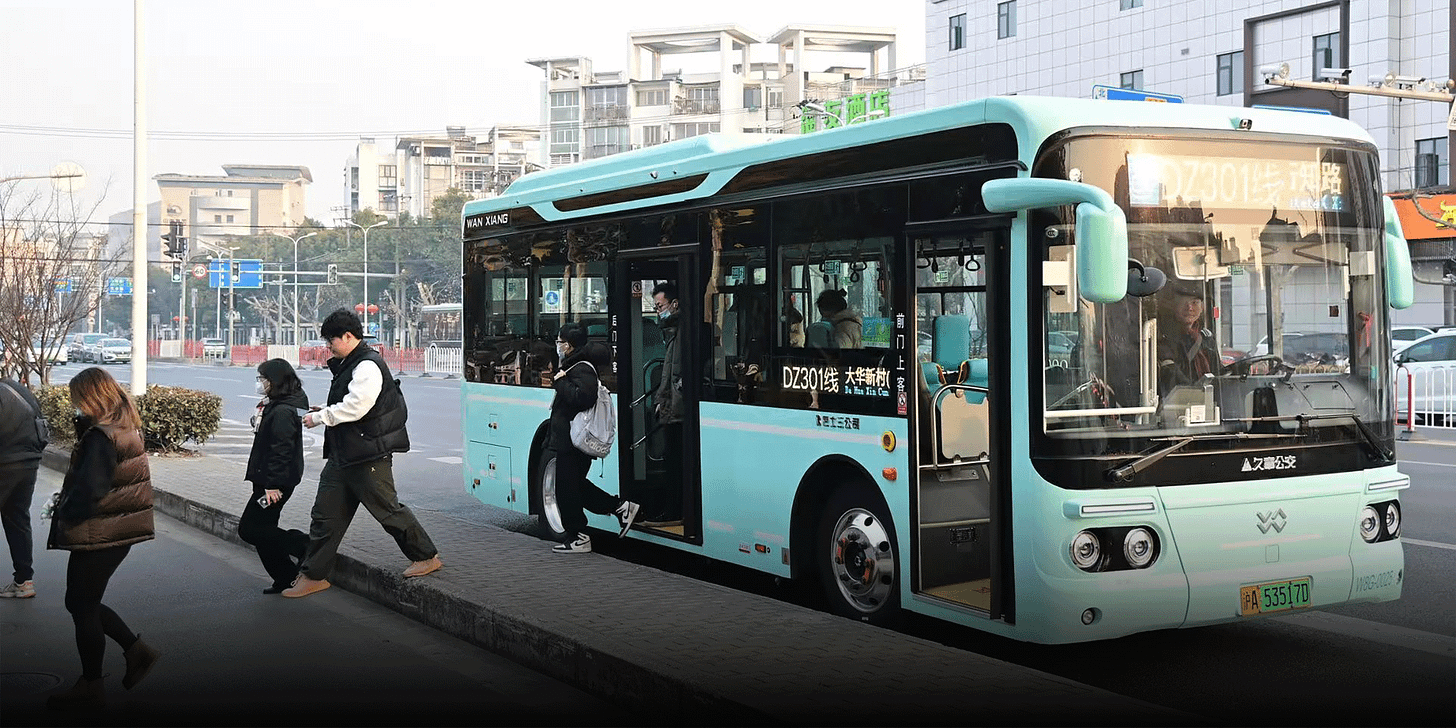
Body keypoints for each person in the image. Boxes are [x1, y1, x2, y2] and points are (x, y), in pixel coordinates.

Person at [284, 309, 442, 598]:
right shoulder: (350, 363)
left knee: (388, 511)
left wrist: (320, 418)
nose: (327, 347)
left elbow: (358, 406)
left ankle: (426, 556)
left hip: (368, 456)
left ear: (348, 336)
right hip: (344, 455)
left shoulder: (367, 365)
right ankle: (313, 574)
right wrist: (325, 410)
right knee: (325, 516)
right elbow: (349, 402)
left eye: (330, 340)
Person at [45, 367, 159, 709]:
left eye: (78, 399)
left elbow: (92, 488)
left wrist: (65, 511)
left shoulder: (101, 436)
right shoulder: (122, 424)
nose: (74, 404)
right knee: (83, 601)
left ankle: (92, 683)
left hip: (101, 530)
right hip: (117, 529)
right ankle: (136, 652)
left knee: (81, 604)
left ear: (90, 397)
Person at [548, 324, 639, 554]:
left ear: (568, 345)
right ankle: (620, 507)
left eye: (560, 342)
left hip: (574, 442)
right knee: (573, 486)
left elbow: (583, 398)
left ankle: (578, 536)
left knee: (567, 490)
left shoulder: (582, 368)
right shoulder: (574, 365)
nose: (557, 346)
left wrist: (560, 382)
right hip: (569, 440)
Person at [239, 358, 310, 594]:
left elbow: (281, 450)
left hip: (273, 484)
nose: (261, 383)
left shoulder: (281, 411)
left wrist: (272, 485)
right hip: (267, 479)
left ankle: (303, 545)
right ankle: (286, 578)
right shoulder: (289, 402)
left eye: (264, 379)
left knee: (250, 529)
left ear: (275, 381)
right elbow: (302, 413)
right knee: (265, 530)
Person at [1, 377, 48, 599]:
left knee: (16, 518)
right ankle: (24, 581)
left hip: (4, 464)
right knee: (17, 519)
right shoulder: (19, 390)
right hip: (29, 463)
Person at [648, 282, 684, 525]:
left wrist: (666, 403)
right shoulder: (672, 332)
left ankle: (675, 512)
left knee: (675, 464)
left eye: (660, 306)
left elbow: (676, 377)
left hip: (680, 413)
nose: (657, 311)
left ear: (674, 304)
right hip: (673, 409)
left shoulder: (682, 331)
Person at [1157, 286, 1221, 393]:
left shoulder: (1206, 338)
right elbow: (1172, 375)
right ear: (1174, 306)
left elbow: (1217, 371)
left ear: (1202, 308)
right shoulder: (1164, 338)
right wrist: (1195, 391)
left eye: (1195, 303)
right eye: (1184, 303)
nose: (1189, 308)